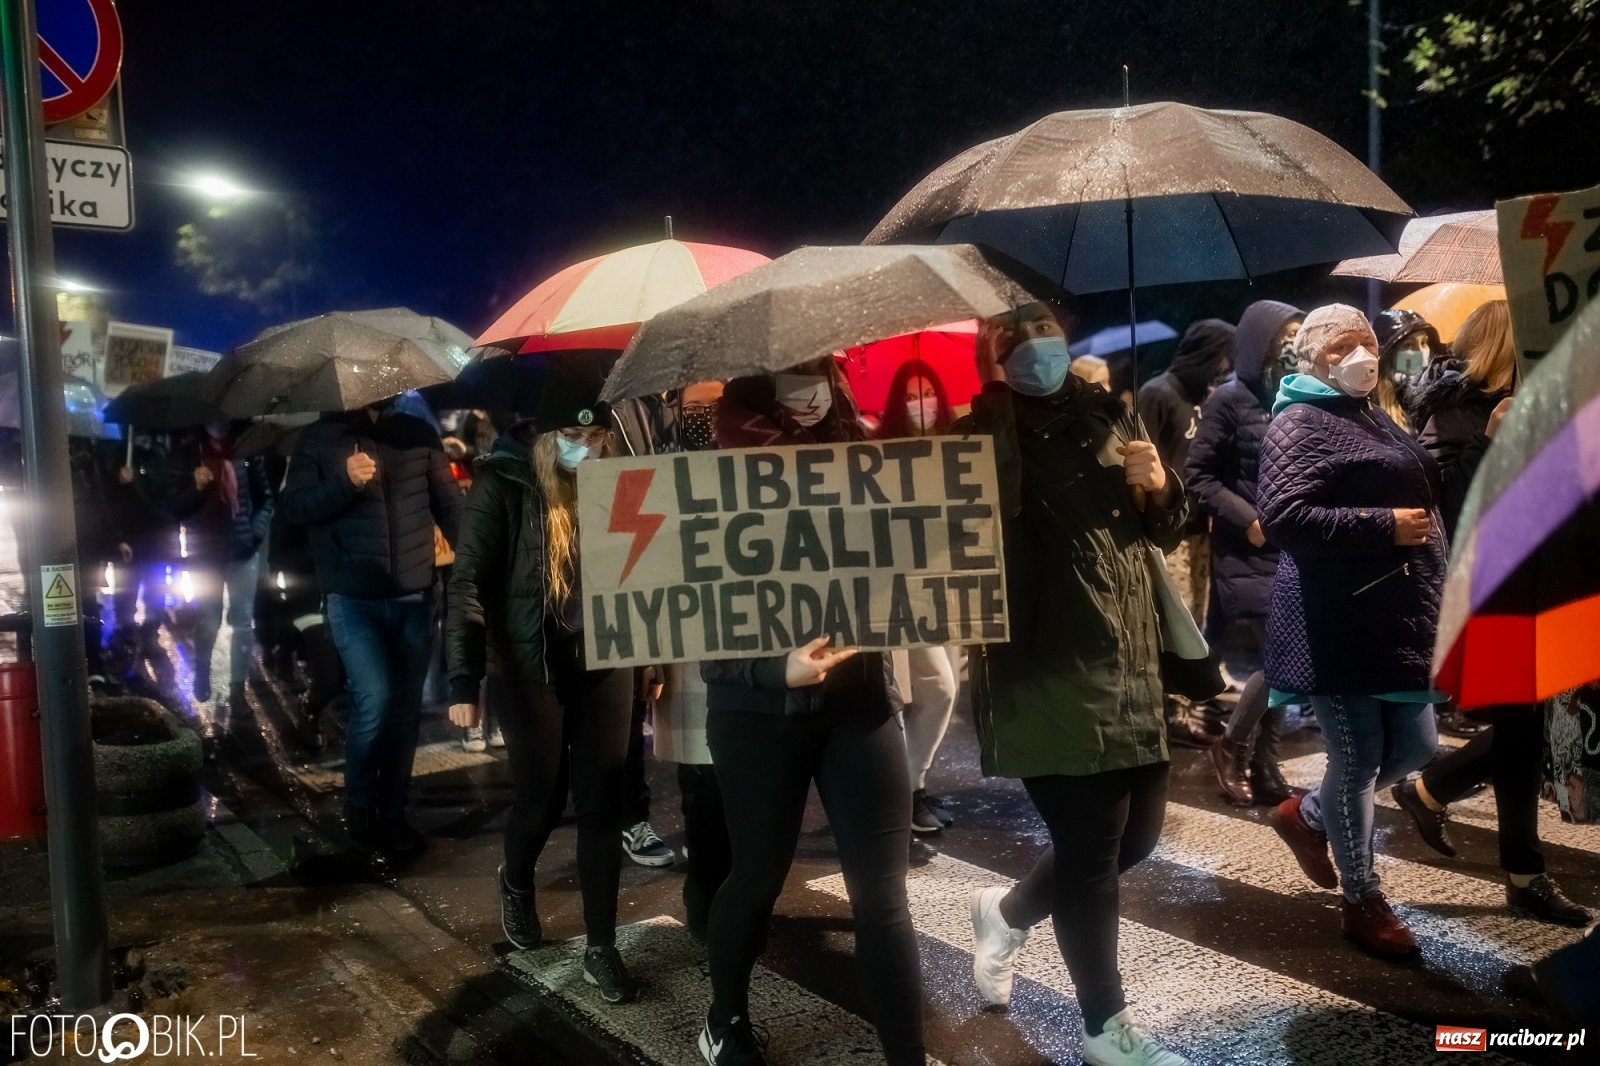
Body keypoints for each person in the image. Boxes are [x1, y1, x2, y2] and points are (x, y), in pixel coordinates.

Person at [965, 303, 1190, 1066]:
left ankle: (1008, 911)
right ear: (992, 359)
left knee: (1137, 837)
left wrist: (1159, 484)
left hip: (1132, 659)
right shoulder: (975, 441)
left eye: (1045, 335)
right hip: (1043, 668)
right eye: (1016, 342)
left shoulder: (1110, 415)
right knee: (1092, 850)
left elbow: (1161, 529)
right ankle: (1105, 1028)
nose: (1038, 352)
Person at [698, 355, 923, 1066]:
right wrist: (774, 668)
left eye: (822, 365)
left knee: (883, 896)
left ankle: (907, 1055)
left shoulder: (862, 454)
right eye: (796, 369)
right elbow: (687, 615)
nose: (813, 382)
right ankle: (724, 1020)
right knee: (758, 875)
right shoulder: (710, 469)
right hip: (753, 710)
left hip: (856, 702)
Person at [446, 355, 641, 1003]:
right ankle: (517, 879)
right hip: (528, 666)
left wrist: (655, 657)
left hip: (607, 661)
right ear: (544, 435)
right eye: (570, 437)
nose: (582, 449)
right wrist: (462, 680)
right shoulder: (502, 484)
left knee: (603, 804)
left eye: (595, 438)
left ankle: (601, 948)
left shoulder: (622, 484)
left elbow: (651, 572)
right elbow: (469, 582)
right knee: (541, 799)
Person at [1389, 300, 1589, 927]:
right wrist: (1494, 439)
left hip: (1550, 587)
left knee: (1533, 729)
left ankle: (1430, 790)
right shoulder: (1452, 413)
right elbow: (1452, 508)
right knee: (1526, 730)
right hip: (1494, 592)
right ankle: (1522, 873)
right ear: (1502, 347)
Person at [1259, 304, 1446, 960]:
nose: (1362, 354)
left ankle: (1306, 815)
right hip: (1334, 621)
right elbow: (1283, 517)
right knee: (1358, 758)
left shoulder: (1370, 411)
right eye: (1343, 345)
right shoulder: (1299, 421)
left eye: (1368, 342)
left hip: (1393, 617)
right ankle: (1362, 899)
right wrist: (1381, 525)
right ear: (1315, 356)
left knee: (1418, 747)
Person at [282, 395, 463, 856]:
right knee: (375, 700)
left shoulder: (418, 435)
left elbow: (449, 505)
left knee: (404, 711)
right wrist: (344, 482)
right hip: (352, 596)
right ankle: (360, 805)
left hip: (415, 595)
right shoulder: (319, 438)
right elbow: (296, 509)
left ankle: (392, 812)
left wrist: (476, 558)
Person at [1186, 301, 1303, 807]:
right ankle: (1231, 747)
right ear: (1261, 341)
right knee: (1281, 658)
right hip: (1246, 550)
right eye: (1286, 336)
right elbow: (1200, 476)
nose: (1295, 346)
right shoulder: (1227, 400)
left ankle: (1265, 763)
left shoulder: (1296, 397)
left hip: (1290, 548)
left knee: (1290, 659)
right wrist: (1247, 519)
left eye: (1300, 335)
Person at [1138, 319, 1235, 749]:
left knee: (1193, 619)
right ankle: (1165, 712)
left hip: (1199, 529)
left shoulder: (1204, 398)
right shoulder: (1158, 392)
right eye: (1220, 356)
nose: (1224, 366)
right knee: (1170, 620)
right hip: (1166, 529)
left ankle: (1181, 708)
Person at [876, 359, 962, 833]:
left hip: (949, 586)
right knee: (935, 689)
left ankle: (914, 786)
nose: (921, 404)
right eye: (910, 396)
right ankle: (905, 793)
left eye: (928, 393)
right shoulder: (882, 451)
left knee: (940, 689)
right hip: (903, 590)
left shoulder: (958, 446)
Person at [163, 422, 273, 711]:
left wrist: (254, 534)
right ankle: (202, 668)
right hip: (204, 552)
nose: (219, 424)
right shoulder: (186, 454)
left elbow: (265, 498)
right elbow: (174, 507)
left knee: (242, 619)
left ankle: (238, 691)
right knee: (208, 618)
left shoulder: (248, 452)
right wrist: (196, 487)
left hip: (243, 550)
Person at [1371, 308, 1442, 431]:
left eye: (1424, 343)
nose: (1420, 352)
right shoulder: (1369, 401)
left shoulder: (1438, 393)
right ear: (1390, 354)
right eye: (1409, 345)